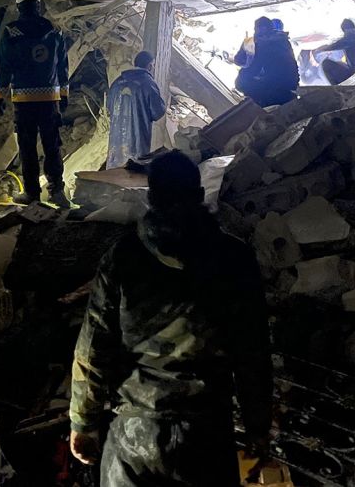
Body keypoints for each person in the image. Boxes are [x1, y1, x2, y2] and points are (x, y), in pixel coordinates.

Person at [69, 151, 273, 486]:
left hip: (136, 433)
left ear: (151, 196)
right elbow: (253, 352)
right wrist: (258, 426)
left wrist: (83, 422)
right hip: (206, 435)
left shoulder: (123, 258)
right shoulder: (235, 259)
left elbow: (93, 348)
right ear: (198, 193)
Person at [0, 0, 70, 206]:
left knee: (27, 148)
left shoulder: (11, 31)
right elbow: (63, 65)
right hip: (50, 99)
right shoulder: (54, 31)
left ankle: (32, 194)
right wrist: (63, 94)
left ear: (19, 7)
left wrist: (0, 96)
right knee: (52, 145)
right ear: (38, 6)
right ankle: (57, 191)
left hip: (23, 100)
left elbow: (4, 66)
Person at [105, 50, 167, 168]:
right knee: (134, 169)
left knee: (115, 170)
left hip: (116, 137)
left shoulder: (117, 82)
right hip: (137, 138)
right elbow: (158, 111)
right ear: (149, 65)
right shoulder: (148, 83)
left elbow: (109, 107)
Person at [234, 16, 299, 107]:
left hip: (278, 90)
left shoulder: (264, 44)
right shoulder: (282, 40)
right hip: (290, 86)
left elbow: (252, 68)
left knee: (242, 82)